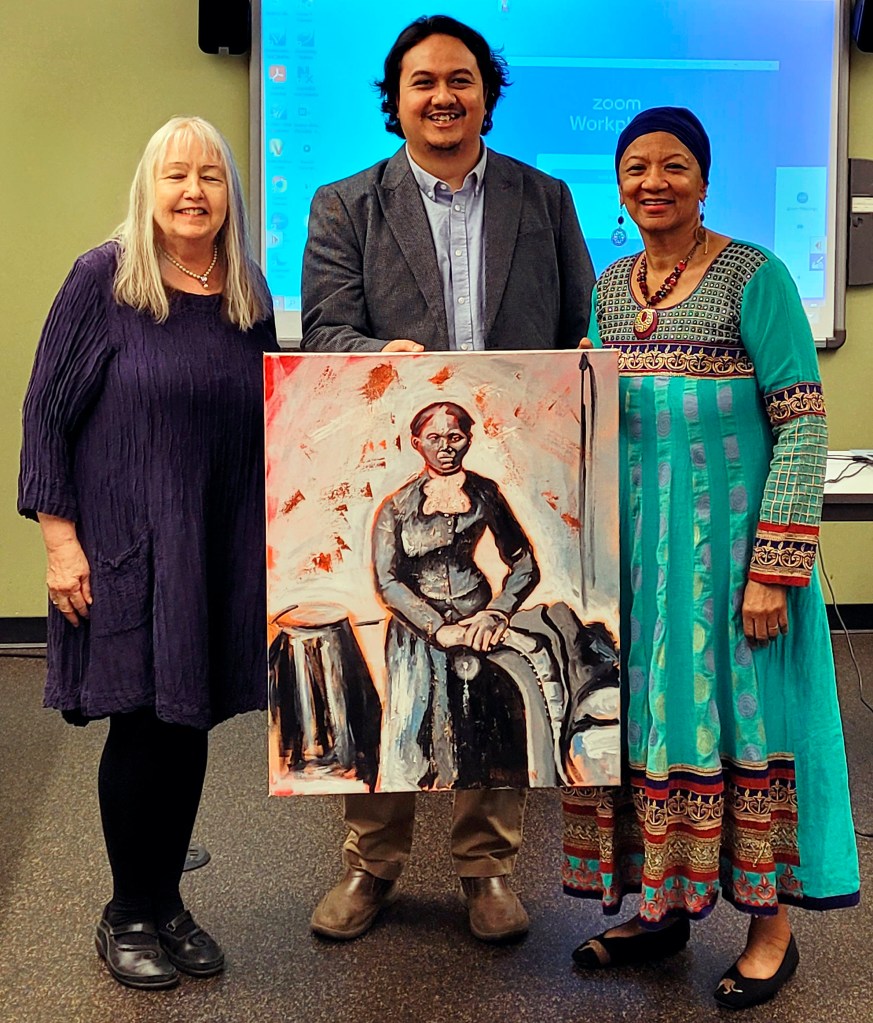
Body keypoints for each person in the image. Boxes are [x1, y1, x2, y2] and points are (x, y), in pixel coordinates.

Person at [302, 14, 594, 943]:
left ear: (486, 95)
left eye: (460, 79)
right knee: (401, 707)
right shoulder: (345, 204)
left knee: (492, 706)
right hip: (395, 449)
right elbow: (323, 333)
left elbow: (579, 330)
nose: (442, 96)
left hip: (511, 453)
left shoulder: (544, 199)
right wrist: (375, 356)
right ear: (395, 101)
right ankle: (370, 864)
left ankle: (486, 867)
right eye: (422, 81)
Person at [561, 107, 859, 1010]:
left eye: (673, 166)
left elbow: (802, 424)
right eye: (635, 168)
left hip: (731, 567)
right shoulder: (609, 288)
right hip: (638, 568)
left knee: (746, 728)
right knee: (650, 728)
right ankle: (660, 908)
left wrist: (774, 566)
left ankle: (771, 930)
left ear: (703, 178)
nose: (652, 182)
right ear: (618, 185)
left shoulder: (753, 277)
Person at [18, 116, 278, 990]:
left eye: (210, 175)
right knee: (140, 722)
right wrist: (60, 541)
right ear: (148, 187)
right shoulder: (103, 278)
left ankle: (166, 903)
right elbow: (45, 412)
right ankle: (125, 912)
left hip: (213, 546)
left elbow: (273, 407)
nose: (193, 191)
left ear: (229, 193)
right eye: (176, 175)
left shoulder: (246, 290)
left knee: (186, 718)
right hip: (124, 544)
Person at [373, 401, 540, 793]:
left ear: (468, 440)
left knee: (482, 746)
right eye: (434, 438)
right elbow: (386, 582)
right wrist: (437, 629)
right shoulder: (396, 507)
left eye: (454, 437)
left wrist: (497, 613)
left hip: (478, 629)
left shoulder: (485, 493)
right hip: (416, 636)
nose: (445, 447)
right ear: (416, 443)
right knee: (415, 747)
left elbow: (524, 563)